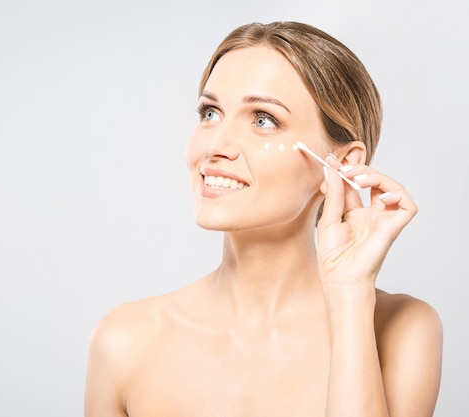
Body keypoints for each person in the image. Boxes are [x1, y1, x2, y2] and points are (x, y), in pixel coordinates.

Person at [84, 21, 443, 417]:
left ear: (341, 164)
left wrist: (349, 292)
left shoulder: (404, 330)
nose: (215, 146)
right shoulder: (124, 341)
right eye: (210, 112)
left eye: (262, 120)